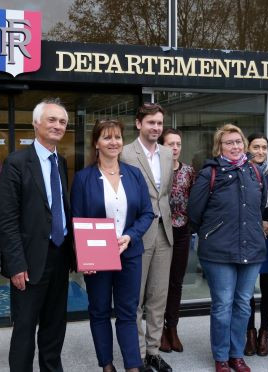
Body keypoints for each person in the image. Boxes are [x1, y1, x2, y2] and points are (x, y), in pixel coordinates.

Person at [71, 119, 155, 372]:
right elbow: (78, 220)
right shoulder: (84, 178)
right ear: (96, 143)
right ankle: (106, 365)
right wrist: (83, 257)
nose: (114, 142)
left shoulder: (134, 174)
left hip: (129, 252)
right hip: (97, 255)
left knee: (128, 311)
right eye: (107, 137)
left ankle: (132, 365)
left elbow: (147, 214)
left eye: (117, 137)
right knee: (99, 311)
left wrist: (130, 236)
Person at [0, 98, 75, 372]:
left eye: (62, 121)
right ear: (36, 124)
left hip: (59, 256)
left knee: (55, 326)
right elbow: (7, 219)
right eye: (51, 120)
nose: (57, 125)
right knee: (25, 329)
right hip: (29, 263)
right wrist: (16, 264)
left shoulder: (61, 161)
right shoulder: (16, 162)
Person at [188, 124, 268, 372]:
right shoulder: (210, 173)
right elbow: (195, 212)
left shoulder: (254, 171)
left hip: (252, 249)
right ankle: (221, 357)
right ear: (219, 147)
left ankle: (237, 354)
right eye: (229, 143)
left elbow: (260, 205)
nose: (235, 146)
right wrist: (214, 233)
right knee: (222, 304)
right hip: (218, 252)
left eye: (238, 142)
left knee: (243, 303)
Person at [120, 103, 174, 372]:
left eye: (159, 123)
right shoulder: (125, 153)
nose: (156, 127)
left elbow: (165, 192)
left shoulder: (167, 154)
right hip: (138, 233)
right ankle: (137, 355)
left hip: (165, 233)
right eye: (151, 122)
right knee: (135, 299)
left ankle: (153, 351)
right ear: (139, 123)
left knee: (158, 297)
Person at [158, 128, 196, 353]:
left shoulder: (189, 171)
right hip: (160, 229)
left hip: (182, 231)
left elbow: (194, 200)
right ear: (162, 146)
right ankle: (159, 329)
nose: (175, 148)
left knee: (176, 282)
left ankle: (172, 327)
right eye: (170, 144)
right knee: (159, 283)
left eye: (178, 144)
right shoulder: (155, 170)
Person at [243, 133, 268, 357]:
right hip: (247, 237)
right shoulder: (242, 171)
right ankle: (249, 333)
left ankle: (264, 332)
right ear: (248, 148)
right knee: (246, 289)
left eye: (264, 147)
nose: (260, 151)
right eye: (256, 147)